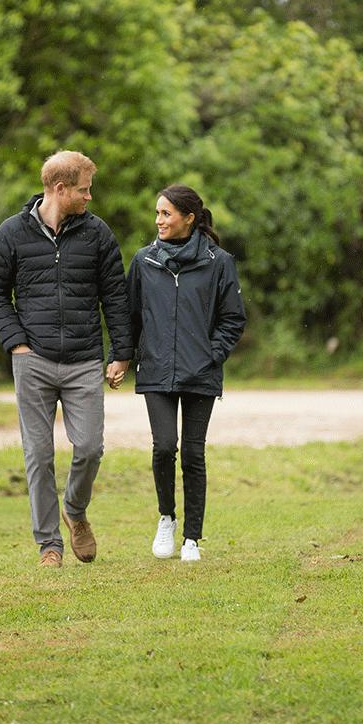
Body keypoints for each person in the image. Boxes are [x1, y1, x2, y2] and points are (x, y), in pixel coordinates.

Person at [0, 151, 132, 568]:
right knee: (38, 454)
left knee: (88, 447)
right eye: (84, 190)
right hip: (33, 358)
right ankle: (49, 544)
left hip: (84, 359)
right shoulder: (12, 233)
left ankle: (75, 510)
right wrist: (15, 342)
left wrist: (121, 353)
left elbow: (115, 296)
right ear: (60, 189)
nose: (90, 197)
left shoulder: (98, 234)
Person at [111, 184, 246, 562]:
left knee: (192, 453)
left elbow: (233, 319)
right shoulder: (144, 261)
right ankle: (166, 518)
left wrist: (210, 355)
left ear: (189, 218)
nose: (158, 221)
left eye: (166, 214)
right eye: (157, 213)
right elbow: (128, 317)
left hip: (200, 372)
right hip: (155, 369)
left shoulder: (219, 262)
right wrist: (120, 357)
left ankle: (192, 538)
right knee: (164, 446)